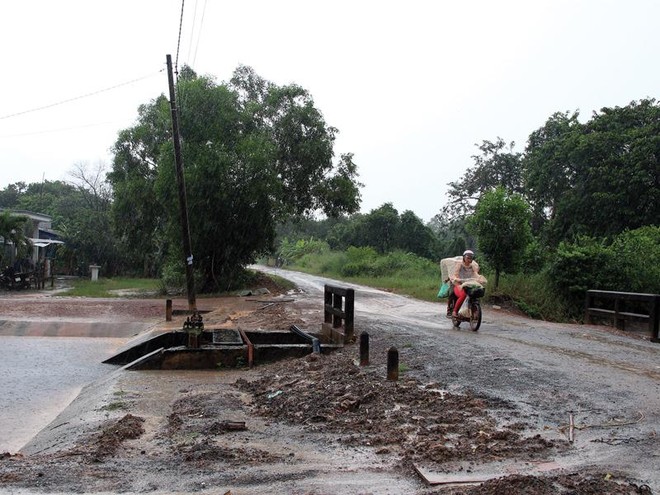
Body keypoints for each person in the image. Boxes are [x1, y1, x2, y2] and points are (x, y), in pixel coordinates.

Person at [450, 249, 480, 318]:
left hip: (469, 284)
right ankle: (455, 311)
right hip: (459, 284)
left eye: (471, 257)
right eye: (468, 257)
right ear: (464, 257)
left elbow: (475, 273)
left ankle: (474, 311)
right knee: (463, 295)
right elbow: (456, 274)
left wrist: (479, 278)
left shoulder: (473, 265)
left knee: (475, 294)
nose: (469, 259)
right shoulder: (459, 264)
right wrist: (458, 279)